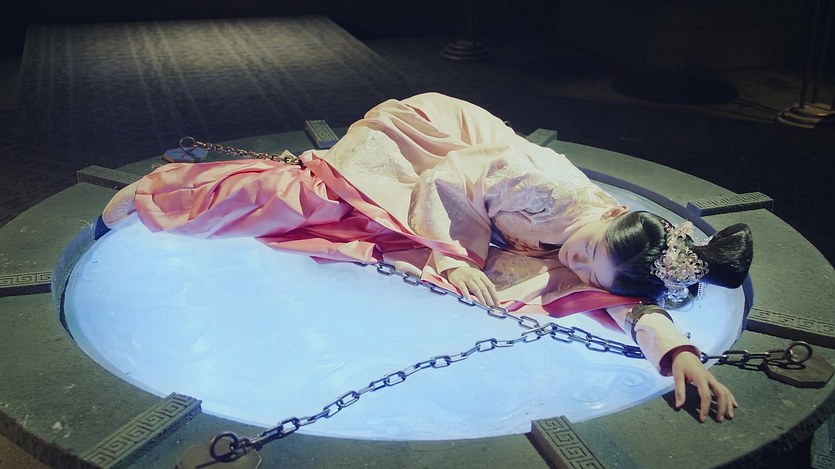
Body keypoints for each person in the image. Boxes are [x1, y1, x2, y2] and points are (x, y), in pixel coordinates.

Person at [102, 92, 752, 423]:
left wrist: (677, 352)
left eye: (587, 269)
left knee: (374, 240)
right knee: (318, 200)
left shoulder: (613, 248)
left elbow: (622, 302)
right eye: (583, 253)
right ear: (609, 219)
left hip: (473, 208)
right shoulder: (549, 190)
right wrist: (455, 258)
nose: (577, 267)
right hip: (429, 146)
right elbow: (451, 179)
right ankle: (167, 193)